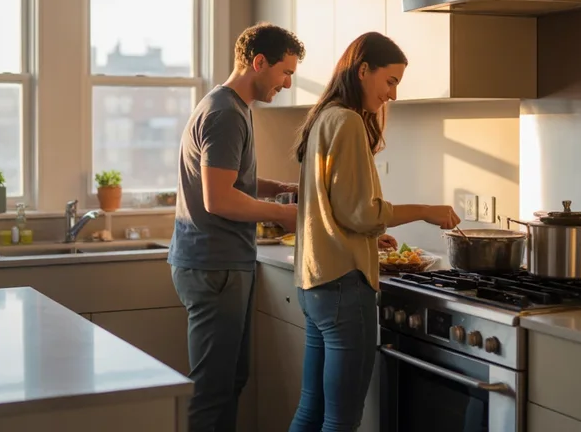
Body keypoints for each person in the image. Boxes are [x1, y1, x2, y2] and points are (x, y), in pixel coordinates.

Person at [288, 31, 462, 432]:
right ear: (363, 70)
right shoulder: (347, 121)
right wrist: (426, 211)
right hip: (344, 286)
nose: (394, 95)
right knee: (341, 420)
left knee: (311, 411)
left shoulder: (325, 117)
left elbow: (335, 208)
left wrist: (367, 235)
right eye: (391, 81)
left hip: (315, 281)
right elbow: (361, 212)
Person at [168, 22, 306, 432]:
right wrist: (285, 214)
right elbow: (220, 199)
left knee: (230, 381)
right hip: (215, 267)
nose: (286, 83)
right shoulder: (226, 113)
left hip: (220, 263)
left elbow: (228, 177)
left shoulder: (229, 106)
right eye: (285, 72)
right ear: (258, 62)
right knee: (214, 390)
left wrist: (279, 188)